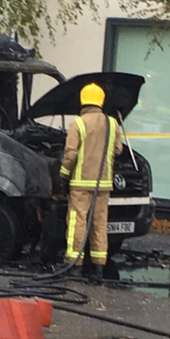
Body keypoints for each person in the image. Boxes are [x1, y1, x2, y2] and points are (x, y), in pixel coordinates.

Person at [58, 83, 123, 284]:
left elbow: (70, 154)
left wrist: (63, 174)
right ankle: (98, 268)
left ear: (83, 100)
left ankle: (74, 265)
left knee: (77, 223)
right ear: (101, 101)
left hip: (80, 184)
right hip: (103, 184)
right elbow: (118, 149)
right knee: (99, 224)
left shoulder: (78, 124)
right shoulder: (112, 124)